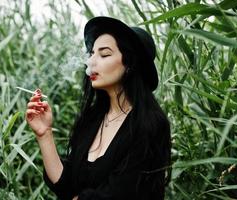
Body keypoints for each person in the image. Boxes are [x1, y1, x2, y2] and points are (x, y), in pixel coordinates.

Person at [26, 16, 171, 200]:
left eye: (104, 54)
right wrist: (44, 134)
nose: (90, 62)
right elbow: (66, 185)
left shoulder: (150, 125)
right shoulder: (93, 118)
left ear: (129, 64)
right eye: (92, 54)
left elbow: (115, 195)